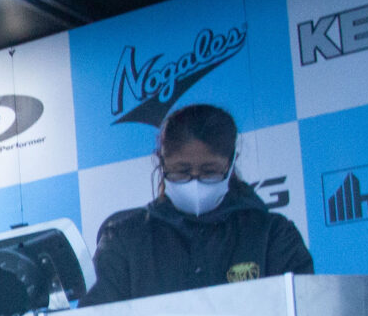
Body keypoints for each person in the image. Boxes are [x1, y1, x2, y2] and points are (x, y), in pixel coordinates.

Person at [82, 103, 312, 304]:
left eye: (209, 171)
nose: (195, 182)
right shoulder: (124, 240)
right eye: (181, 171)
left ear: (231, 163)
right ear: (161, 163)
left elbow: (304, 313)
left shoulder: (273, 235)